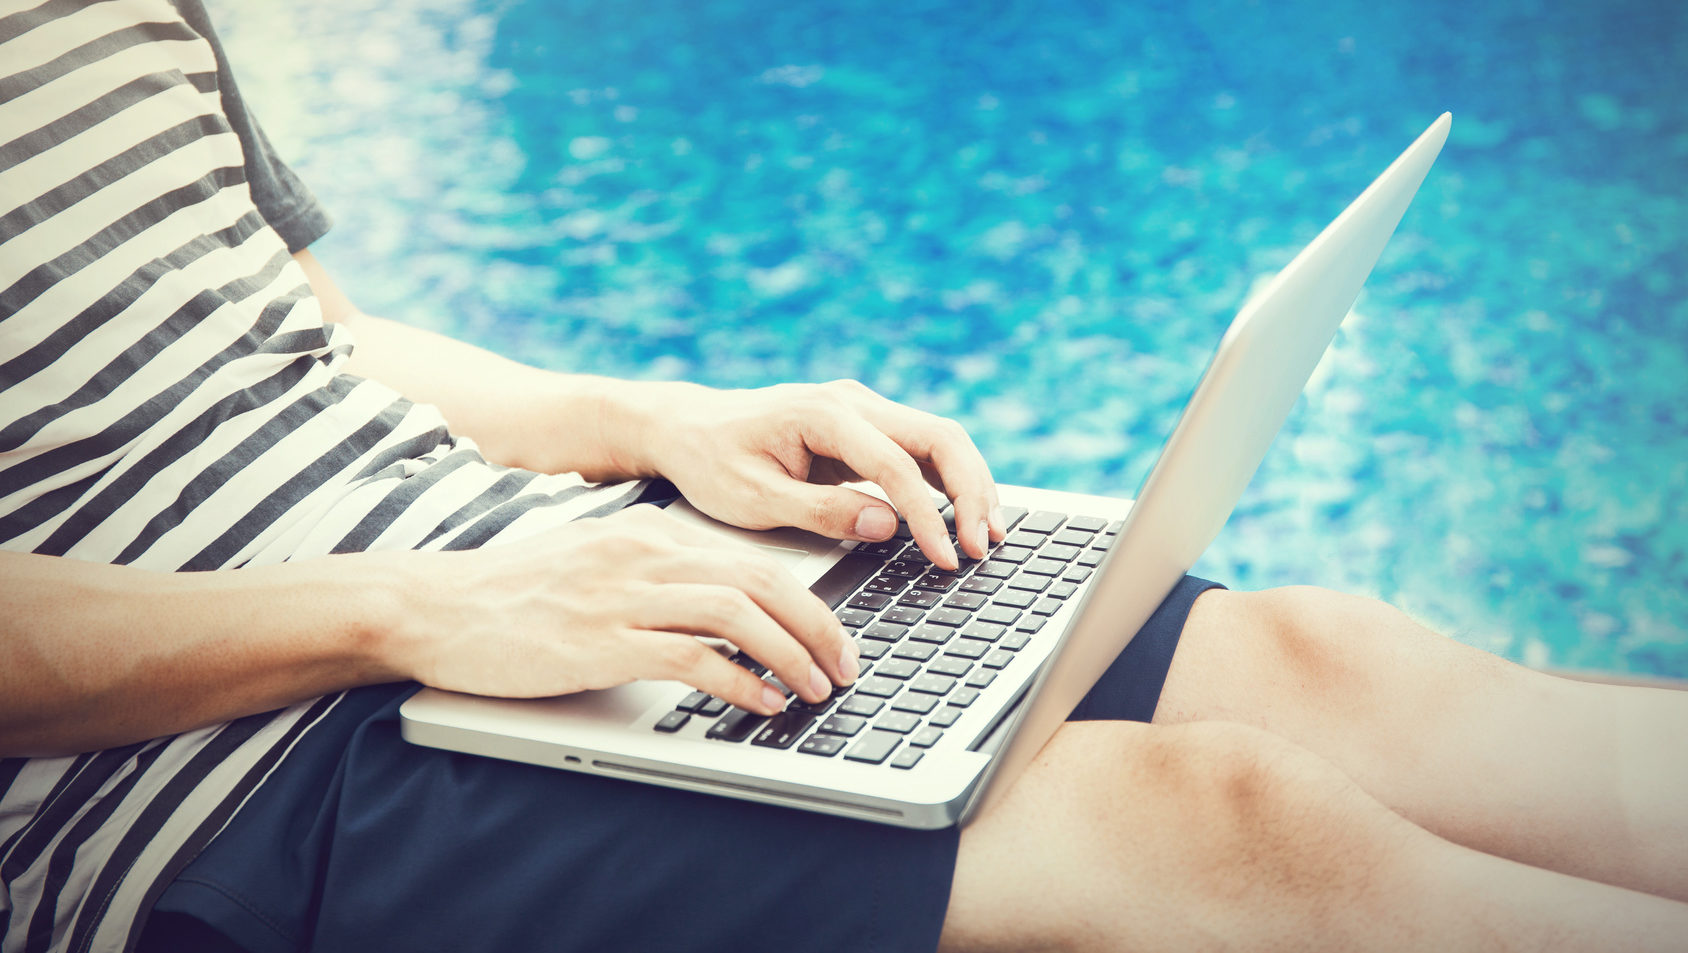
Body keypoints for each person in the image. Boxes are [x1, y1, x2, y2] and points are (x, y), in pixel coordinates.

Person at [2, 2, 1685, 951]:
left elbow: (306, 341)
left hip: (547, 585)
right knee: (1211, 834)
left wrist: (650, 421)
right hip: (226, 788)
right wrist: (421, 610)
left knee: (1326, 663)